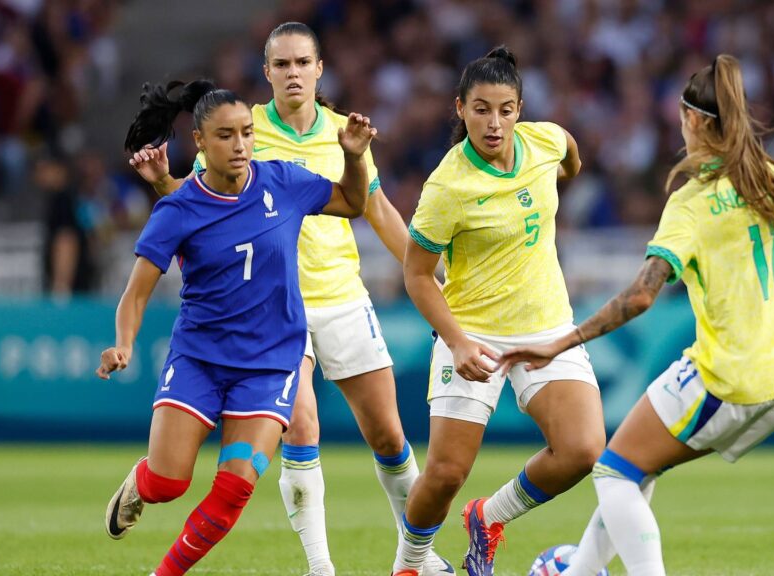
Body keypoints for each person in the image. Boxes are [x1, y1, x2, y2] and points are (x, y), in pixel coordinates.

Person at [498, 54, 774, 575]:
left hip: (726, 378)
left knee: (612, 474)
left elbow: (641, 296)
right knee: (636, 463)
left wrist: (560, 342)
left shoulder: (693, 201)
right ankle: (579, 570)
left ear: (693, 120)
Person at [129, 22, 453, 576]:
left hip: (343, 296)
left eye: (303, 62)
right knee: (301, 426)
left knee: (390, 436)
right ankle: (319, 566)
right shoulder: (242, 126)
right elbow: (196, 202)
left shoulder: (341, 131)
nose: (293, 73)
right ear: (267, 73)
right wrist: (162, 185)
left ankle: (419, 556)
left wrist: (429, 274)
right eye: (282, 64)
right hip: (274, 312)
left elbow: (373, 207)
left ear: (320, 69)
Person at [99, 78, 374, 576]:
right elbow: (135, 293)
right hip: (200, 360)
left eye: (247, 132)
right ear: (199, 143)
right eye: (226, 135)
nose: (241, 144)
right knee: (169, 484)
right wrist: (123, 344)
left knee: (233, 492)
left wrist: (354, 158)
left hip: (271, 365)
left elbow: (352, 204)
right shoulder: (178, 209)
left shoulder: (284, 182)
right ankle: (140, 485)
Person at [392, 46, 605, 576]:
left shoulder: (545, 141)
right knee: (443, 474)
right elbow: (416, 275)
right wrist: (458, 341)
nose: (494, 123)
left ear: (520, 109)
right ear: (460, 108)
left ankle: (488, 517)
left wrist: (560, 179)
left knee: (581, 450)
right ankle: (410, 565)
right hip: (474, 333)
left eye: (505, 109)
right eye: (481, 109)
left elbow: (570, 154)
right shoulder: (447, 186)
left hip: (548, 325)